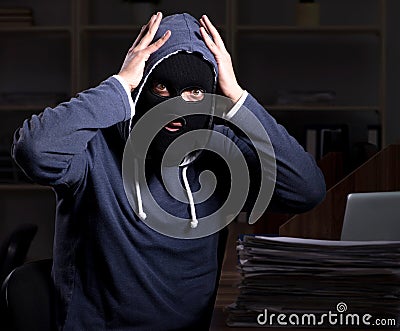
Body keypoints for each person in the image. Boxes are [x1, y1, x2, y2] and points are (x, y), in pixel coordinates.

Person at [12, 12, 326, 330]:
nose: (175, 109)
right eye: (161, 88)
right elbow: (35, 151)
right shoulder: (94, 147)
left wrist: (238, 100)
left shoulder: (220, 152)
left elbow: (307, 190)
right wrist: (119, 85)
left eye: (194, 93)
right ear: (141, 86)